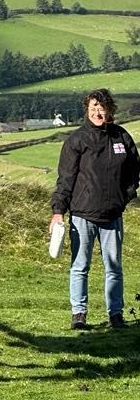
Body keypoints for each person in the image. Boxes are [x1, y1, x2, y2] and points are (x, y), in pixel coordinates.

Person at [50, 88, 139, 331]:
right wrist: (58, 211)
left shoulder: (122, 137)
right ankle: (78, 314)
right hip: (82, 215)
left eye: (101, 108)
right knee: (80, 267)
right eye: (93, 109)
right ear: (87, 111)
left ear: (110, 109)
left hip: (112, 215)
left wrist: (125, 197)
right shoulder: (76, 140)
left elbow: (133, 173)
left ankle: (116, 314)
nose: (97, 113)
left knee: (114, 267)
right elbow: (65, 179)